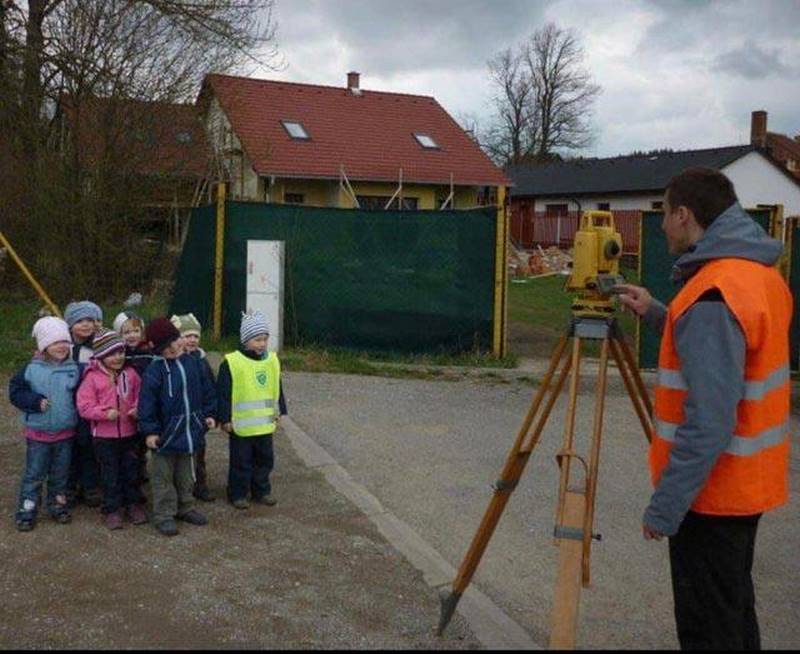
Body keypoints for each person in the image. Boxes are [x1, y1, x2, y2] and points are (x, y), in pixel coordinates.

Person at [616, 167, 792, 650]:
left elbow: (710, 419)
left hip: (712, 495)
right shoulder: (755, 275)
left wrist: (666, 506)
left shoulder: (713, 293)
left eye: (664, 215)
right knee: (732, 612)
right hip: (744, 485)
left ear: (684, 215)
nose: (661, 227)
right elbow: (725, 349)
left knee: (709, 629)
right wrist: (656, 311)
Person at [137, 317, 217, 536]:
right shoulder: (155, 371)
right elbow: (147, 404)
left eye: (174, 342)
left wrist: (209, 414)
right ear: (156, 349)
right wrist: (151, 431)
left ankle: (186, 506)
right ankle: (164, 514)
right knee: (162, 477)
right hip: (165, 436)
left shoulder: (195, 363)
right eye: (165, 347)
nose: (172, 349)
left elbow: (207, 390)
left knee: (186, 475)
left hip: (190, 431)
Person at [9, 317, 79, 531]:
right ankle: (27, 509)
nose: (62, 346)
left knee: (60, 473)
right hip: (38, 434)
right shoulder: (31, 369)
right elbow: (16, 392)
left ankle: (57, 505)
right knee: (34, 474)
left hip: (66, 433)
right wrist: (33, 401)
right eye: (55, 342)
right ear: (44, 345)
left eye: (65, 342)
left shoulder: (74, 369)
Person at [76, 329, 147, 530]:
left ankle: (134, 504)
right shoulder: (91, 378)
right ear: (100, 355)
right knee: (110, 474)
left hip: (129, 433)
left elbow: (141, 395)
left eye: (120, 352)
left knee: (132, 471)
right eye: (112, 353)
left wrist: (137, 408)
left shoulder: (131, 374)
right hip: (104, 437)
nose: (118, 357)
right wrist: (104, 413)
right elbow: (84, 406)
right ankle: (112, 509)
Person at [217, 311, 287, 510]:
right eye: (257, 339)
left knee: (265, 460)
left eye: (265, 339)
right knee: (241, 462)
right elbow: (223, 393)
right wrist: (224, 419)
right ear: (246, 340)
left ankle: (261, 490)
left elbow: (276, 387)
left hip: (264, 425)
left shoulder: (272, 361)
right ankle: (238, 493)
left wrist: (280, 410)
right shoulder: (232, 363)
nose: (262, 344)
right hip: (240, 426)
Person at [170, 313, 216, 502]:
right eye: (187, 335)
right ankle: (178, 488)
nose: (192, 339)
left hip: (198, 418)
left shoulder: (201, 361)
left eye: (195, 336)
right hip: (178, 418)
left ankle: (200, 485)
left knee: (198, 453)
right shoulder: (171, 360)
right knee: (177, 456)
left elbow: (210, 390)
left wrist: (211, 413)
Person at [64, 300, 103, 508]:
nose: (86, 325)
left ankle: (90, 485)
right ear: (70, 324)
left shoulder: (97, 347)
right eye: (80, 321)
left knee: (88, 446)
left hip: (90, 408)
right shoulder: (63, 347)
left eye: (90, 320)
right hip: (68, 406)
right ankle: (69, 486)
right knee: (70, 449)